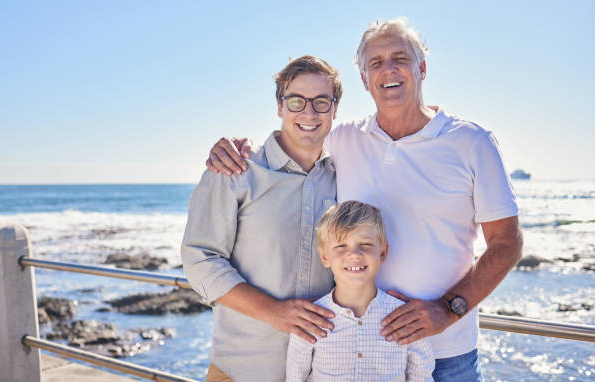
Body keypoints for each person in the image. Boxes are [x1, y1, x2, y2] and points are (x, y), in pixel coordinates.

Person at [205, 17, 523, 381]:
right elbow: (299, 135)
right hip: (356, 350)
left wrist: (448, 309)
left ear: (421, 68)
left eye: (399, 58)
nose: (388, 69)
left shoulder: (472, 142)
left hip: (447, 355)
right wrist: (235, 149)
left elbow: (507, 243)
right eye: (376, 62)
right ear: (364, 80)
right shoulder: (344, 139)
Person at [181, 55, 343, 382]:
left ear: (334, 109)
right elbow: (200, 257)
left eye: (321, 102)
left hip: (324, 370)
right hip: (243, 370)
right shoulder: (236, 168)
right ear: (280, 107)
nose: (308, 113)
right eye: (296, 101)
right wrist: (273, 312)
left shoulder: (346, 173)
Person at [286, 200, 434, 381]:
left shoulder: (406, 317)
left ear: (383, 253)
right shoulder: (309, 320)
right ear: (324, 257)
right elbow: (295, 377)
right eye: (341, 246)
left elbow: (422, 376)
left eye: (365, 244)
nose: (354, 254)